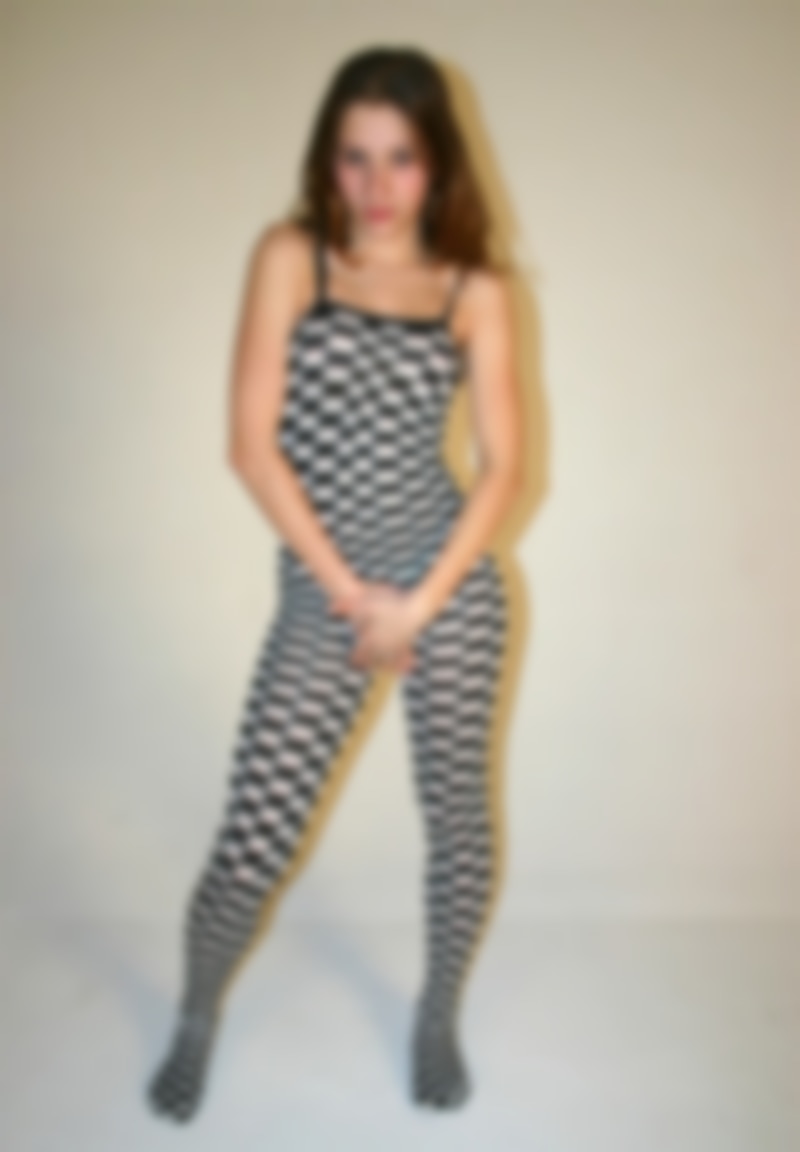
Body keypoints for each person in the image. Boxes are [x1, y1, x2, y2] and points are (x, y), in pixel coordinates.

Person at [146, 44, 522, 1122]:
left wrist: (420, 603)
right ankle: (197, 1011)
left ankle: (436, 1015)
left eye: (401, 158)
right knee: (251, 843)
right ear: (326, 161)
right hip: (329, 588)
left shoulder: (473, 289)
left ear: (437, 164)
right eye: (355, 158)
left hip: (445, 584)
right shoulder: (290, 258)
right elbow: (250, 448)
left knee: (458, 822)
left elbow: (503, 469)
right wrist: (356, 599)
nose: (376, 185)